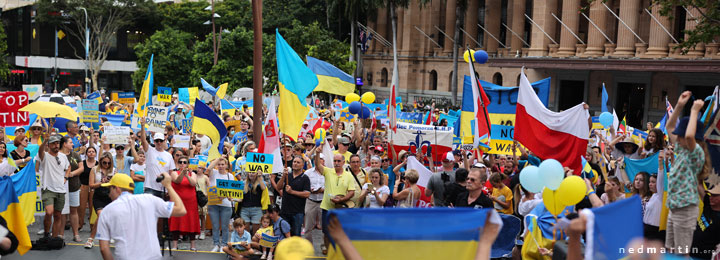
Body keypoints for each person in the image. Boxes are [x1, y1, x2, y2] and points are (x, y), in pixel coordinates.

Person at [96, 173, 187, 260]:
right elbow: (181, 210)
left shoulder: (106, 211)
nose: (109, 194)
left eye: (110, 190)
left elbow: (104, 248)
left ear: (117, 189)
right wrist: (168, 186)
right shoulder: (149, 200)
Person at [664, 92, 709, 255]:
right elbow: (669, 127)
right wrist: (679, 105)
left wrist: (694, 111)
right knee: (670, 249)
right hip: (675, 206)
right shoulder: (681, 149)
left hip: (686, 208)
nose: (677, 136)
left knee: (682, 252)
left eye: (680, 134)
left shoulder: (695, 151)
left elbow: (689, 135)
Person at [315, 149, 355, 255]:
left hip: (341, 209)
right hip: (327, 208)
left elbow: (351, 192)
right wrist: (318, 153)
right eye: (335, 161)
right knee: (326, 232)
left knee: (340, 232)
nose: (336, 163)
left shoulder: (348, 175)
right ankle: (329, 252)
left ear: (343, 162)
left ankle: (338, 252)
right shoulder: (328, 171)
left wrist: (341, 200)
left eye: (338, 161)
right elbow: (317, 165)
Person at [38, 132, 70, 238]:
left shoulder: (63, 156)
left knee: (57, 215)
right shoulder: (45, 156)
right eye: (53, 143)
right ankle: (47, 234)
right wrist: (44, 141)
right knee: (49, 212)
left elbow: (68, 167)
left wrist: (65, 177)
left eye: (57, 143)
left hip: (61, 189)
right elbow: (40, 151)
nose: (56, 145)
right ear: (49, 145)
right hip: (48, 188)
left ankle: (54, 238)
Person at [168, 155, 200, 251]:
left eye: (184, 162)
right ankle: (175, 245)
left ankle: (193, 245)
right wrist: (183, 173)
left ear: (187, 164)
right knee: (176, 221)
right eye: (180, 162)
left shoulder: (193, 174)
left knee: (191, 221)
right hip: (177, 201)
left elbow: (193, 183)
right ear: (177, 163)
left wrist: (187, 175)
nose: (182, 164)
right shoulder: (174, 172)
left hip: (190, 202)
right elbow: (177, 180)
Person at [85, 152, 116, 249]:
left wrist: (111, 182)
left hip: (109, 196)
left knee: (108, 217)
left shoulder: (114, 171)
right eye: (104, 163)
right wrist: (101, 182)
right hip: (98, 195)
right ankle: (91, 239)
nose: (106, 165)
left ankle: (106, 235)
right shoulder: (94, 170)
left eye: (109, 163)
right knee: (101, 215)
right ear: (101, 162)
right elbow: (91, 185)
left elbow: (116, 185)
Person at [139, 120, 176, 198]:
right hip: (150, 188)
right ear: (154, 141)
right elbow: (143, 140)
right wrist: (142, 126)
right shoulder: (149, 150)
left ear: (164, 141)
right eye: (157, 141)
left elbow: (171, 173)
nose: (159, 142)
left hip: (163, 189)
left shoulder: (168, 156)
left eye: (161, 140)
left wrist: (170, 189)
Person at [277, 156, 311, 237]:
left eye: (298, 162)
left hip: (297, 212)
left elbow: (307, 194)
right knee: (284, 234)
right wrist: (283, 176)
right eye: (294, 162)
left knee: (296, 234)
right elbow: (278, 187)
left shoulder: (305, 178)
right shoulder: (288, 175)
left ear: (303, 165)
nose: (295, 164)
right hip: (285, 210)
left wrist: (292, 192)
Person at [206, 157, 235, 252]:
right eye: (219, 164)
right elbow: (208, 169)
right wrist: (217, 159)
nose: (221, 166)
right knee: (215, 226)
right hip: (213, 204)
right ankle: (216, 244)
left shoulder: (230, 176)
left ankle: (224, 244)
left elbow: (232, 190)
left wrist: (226, 196)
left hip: (226, 204)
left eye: (223, 164)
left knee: (225, 226)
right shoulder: (213, 173)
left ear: (226, 165)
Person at [60, 136, 84, 242]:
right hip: (61, 187)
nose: (72, 144)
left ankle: (76, 234)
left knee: (74, 211)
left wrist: (72, 174)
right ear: (64, 144)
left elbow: (81, 167)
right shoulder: (58, 155)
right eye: (70, 142)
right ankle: (60, 234)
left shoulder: (75, 155)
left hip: (74, 187)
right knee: (62, 212)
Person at [303, 153, 325, 242]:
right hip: (311, 200)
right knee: (308, 227)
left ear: (324, 161)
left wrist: (322, 190)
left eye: (321, 159)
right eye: (316, 159)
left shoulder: (329, 172)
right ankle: (308, 246)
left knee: (325, 227)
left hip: (323, 201)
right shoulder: (308, 173)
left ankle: (325, 246)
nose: (318, 161)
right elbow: (304, 185)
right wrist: (309, 189)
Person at [241, 170, 266, 235]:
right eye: (249, 172)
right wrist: (232, 199)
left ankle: (254, 244)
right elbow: (240, 199)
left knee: (256, 233)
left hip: (257, 209)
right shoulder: (243, 183)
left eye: (253, 172)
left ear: (256, 173)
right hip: (244, 210)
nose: (251, 174)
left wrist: (260, 176)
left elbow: (263, 188)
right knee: (246, 233)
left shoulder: (260, 183)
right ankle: (248, 244)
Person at [78, 146, 97, 230]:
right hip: (83, 186)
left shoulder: (98, 164)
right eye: (89, 151)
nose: (91, 153)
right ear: (86, 154)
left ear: (95, 153)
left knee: (93, 207)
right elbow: (78, 175)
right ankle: (80, 224)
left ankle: (93, 226)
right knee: (81, 207)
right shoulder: (82, 163)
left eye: (93, 151)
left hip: (94, 187)